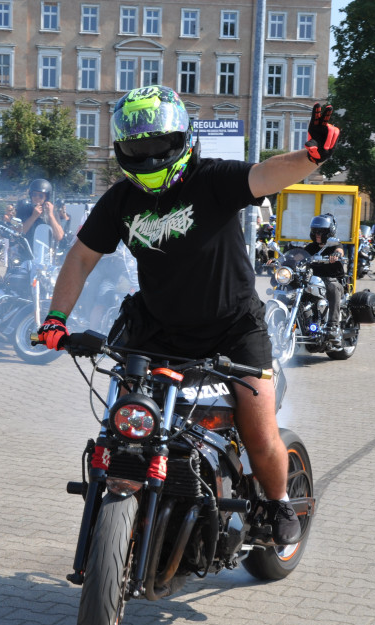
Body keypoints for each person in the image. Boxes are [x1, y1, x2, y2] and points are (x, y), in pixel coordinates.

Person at [36, 86, 339, 546]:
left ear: (183, 139)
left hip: (235, 329)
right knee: (124, 426)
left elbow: (267, 175)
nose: (148, 155)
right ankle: (129, 503)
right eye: (136, 148)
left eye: (158, 145)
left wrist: (313, 154)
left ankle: (277, 502)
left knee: (258, 433)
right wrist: (56, 319)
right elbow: (80, 258)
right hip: (157, 331)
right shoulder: (120, 200)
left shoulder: (213, 179)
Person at [304, 214, 347, 337]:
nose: (317, 234)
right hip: (315, 281)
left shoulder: (335, 245)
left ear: (330, 231)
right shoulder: (311, 247)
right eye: (315, 231)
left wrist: (336, 255)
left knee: (332, 287)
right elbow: (299, 255)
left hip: (333, 280)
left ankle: (333, 324)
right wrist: (284, 259)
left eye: (321, 231)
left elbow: (340, 251)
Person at [21, 178, 64, 265]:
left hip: (46, 257)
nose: (37, 198)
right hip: (26, 256)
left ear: (46, 197)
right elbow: (20, 232)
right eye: (34, 195)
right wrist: (33, 216)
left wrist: (50, 215)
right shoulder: (25, 210)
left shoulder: (52, 213)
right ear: (31, 195)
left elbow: (59, 236)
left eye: (40, 196)